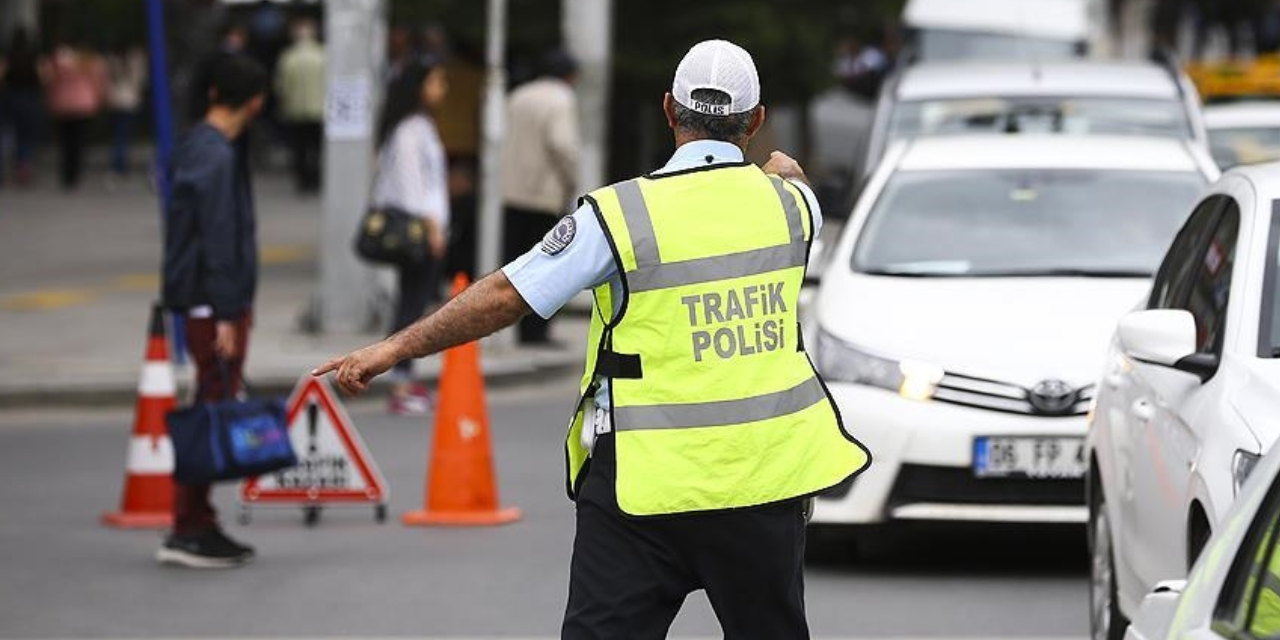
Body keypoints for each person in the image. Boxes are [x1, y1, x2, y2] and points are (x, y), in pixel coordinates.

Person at [315, 39, 870, 638]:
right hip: (762, 484)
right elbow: (784, 179)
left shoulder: (619, 216)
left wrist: (395, 348)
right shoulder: (793, 207)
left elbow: (508, 295)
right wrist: (781, 171)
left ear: (667, 110)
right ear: (757, 120)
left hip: (641, 489)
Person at [159, 54, 267, 569]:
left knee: (211, 401)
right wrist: (228, 313)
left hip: (205, 301)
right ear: (255, 101)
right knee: (210, 408)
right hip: (212, 305)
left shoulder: (197, 145)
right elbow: (219, 240)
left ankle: (198, 520)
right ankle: (188, 526)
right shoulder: (217, 156)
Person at [369, 59, 450, 415]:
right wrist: (432, 228)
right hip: (418, 230)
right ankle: (400, 381)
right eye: (436, 81)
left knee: (413, 301)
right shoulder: (409, 129)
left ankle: (404, 376)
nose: (442, 88)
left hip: (426, 228)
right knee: (411, 305)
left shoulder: (419, 125)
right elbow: (412, 187)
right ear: (419, 86)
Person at [500, 48, 580, 345]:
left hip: (512, 191)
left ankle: (519, 328)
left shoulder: (518, 95)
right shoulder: (562, 98)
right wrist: (571, 180)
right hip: (544, 194)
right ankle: (537, 332)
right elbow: (562, 144)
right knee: (547, 265)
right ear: (570, 75)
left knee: (517, 262)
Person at [43, 38, 106, 190]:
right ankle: (75, 174)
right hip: (84, 104)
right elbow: (98, 82)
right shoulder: (91, 60)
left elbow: (48, 79)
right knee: (78, 142)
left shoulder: (58, 59)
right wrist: (99, 100)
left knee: (65, 142)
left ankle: (66, 175)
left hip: (62, 104)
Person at [274, 18, 325, 193]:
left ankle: (303, 180)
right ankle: (316, 179)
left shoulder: (288, 57)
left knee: (300, 148)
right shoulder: (323, 55)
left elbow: (281, 86)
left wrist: (284, 104)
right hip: (320, 109)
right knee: (317, 148)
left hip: (296, 109)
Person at [1, 28, 43, 186]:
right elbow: (42, 77)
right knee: (27, 136)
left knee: (6, 133)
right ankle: (23, 169)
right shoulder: (34, 56)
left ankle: (3, 168)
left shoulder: (8, 55)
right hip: (29, 98)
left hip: (10, 97)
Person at [104, 42, 148, 181]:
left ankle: (118, 164)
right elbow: (141, 80)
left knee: (118, 134)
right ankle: (121, 164)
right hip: (130, 101)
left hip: (115, 100)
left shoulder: (112, 60)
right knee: (124, 134)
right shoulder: (135, 60)